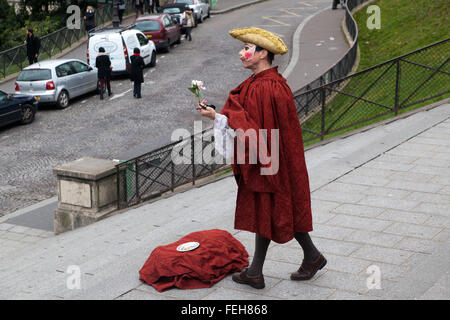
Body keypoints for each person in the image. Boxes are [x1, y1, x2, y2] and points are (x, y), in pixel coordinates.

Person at [197, 27, 326, 289]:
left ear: (262, 52)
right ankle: (306, 258)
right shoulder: (272, 82)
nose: (241, 53)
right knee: (275, 207)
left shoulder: (264, 87)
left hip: (269, 159)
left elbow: (251, 129)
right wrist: (220, 117)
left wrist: (217, 118)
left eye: (247, 48)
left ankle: (261, 271)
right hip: (278, 156)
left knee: (270, 207)